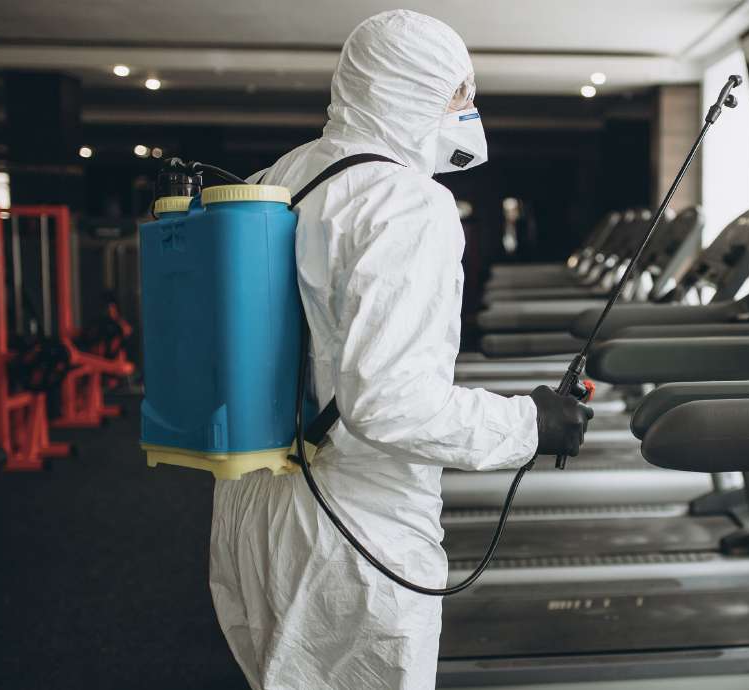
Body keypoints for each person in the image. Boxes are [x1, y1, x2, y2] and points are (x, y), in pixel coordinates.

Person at [208, 10, 593, 689]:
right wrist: (530, 422)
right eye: (459, 93)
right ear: (416, 90)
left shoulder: (288, 171)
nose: (468, 111)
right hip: (352, 526)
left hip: (254, 505)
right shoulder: (407, 202)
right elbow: (391, 405)